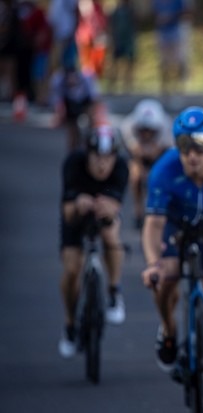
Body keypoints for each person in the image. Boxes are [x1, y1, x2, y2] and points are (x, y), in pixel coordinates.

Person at [140, 106, 203, 372]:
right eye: (184, 146)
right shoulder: (164, 170)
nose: (192, 155)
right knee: (165, 277)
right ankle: (168, 330)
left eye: (201, 145)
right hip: (176, 226)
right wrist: (152, 264)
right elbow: (153, 225)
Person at [58, 124, 129, 358]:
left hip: (103, 212)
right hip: (76, 215)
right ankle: (70, 323)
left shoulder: (121, 167)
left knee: (111, 235)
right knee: (71, 269)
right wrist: (78, 203)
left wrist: (107, 207)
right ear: (87, 154)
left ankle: (113, 291)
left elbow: (115, 205)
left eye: (107, 158)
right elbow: (67, 211)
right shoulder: (73, 164)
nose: (102, 164)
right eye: (97, 157)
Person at [119, 98, 173, 230]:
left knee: (161, 177)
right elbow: (133, 151)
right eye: (143, 130)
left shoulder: (168, 130)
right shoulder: (127, 127)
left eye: (151, 131)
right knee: (135, 175)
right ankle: (137, 210)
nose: (147, 134)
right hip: (139, 155)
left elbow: (170, 154)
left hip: (161, 154)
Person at [49, 57, 102, 151]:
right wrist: (60, 115)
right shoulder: (58, 80)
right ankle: (73, 150)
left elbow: (95, 98)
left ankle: (89, 142)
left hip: (85, 102)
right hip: (69, 104)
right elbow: (57, 101)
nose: (72, 83)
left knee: (92, 119)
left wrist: (94, 117)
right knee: (72, 128)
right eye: (70, 82)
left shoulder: (87, 79)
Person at [107, 0, 136, 93]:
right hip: (118, 40)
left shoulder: (131, 10)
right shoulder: (116, 11)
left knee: (129, 64)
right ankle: (112, 86)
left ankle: (127, 87)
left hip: (129, 40)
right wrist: (113, 39)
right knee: (115, 64)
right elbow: (111, 25)